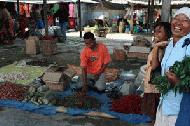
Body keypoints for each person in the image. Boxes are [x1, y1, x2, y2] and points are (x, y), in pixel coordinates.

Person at [152, 7, 190, 126]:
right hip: (164, 106)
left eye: (185, 20)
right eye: (176, 18)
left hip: (180, 111)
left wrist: (177, 82)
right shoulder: (169, 45)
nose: (178, 22)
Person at [142, 22, 171, 120]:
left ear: (167, 34)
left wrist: (155, 47)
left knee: (154, 114)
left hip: (154, 86)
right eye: (155, 32)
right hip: (151, 83)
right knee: (153, 114)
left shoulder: (161, 47)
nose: (156, 34)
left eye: (160, 32)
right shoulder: (159, 45)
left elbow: (154, 66)